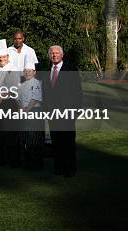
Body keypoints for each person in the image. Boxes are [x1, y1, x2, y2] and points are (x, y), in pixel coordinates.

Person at [42, 45, 82, 177]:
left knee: (68, 142)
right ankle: (58, 168)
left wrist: (76, 112)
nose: (54, 55)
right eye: (52, 53)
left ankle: (70, 169)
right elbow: (45, 93)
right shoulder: (47, 71)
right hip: (52, 114)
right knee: (56, 142)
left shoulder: (71, 69)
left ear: (62, 55)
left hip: (67, 113)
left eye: (57, 53)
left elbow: (77, 93)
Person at [0, 40, 21, 166]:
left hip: (9, 104)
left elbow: (14, 88)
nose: (1, 59)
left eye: (3, 57)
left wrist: (1, 96)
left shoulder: (13, 70)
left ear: (7, 57)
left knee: (10, 132)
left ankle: (12, 160)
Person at [17, 60, 44, 170]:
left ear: (34, 72)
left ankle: (36, 163)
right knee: (25, 138)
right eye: (25, 71)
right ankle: (26, 162)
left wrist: (27, 109)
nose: (27, 73)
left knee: (35, 139)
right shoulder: (21, 85)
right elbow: (18, 99)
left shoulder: (37, 83)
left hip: (34, 112)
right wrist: (21, 109)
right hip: (24, 113)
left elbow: (35, 98)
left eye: (30, 71)